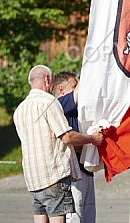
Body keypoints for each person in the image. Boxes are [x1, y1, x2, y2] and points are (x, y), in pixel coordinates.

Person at [13, 65, 104, 223]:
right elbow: (67, 137)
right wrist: (92, 139)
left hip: (34, 178)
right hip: (53, 176)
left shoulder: (20, 109)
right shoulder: (49, 102)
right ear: (47, 79)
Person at [53, 71, 96, 223]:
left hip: (85, 169)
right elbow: (69, 138)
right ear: (61, 89)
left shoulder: (75, 108)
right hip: (72, 171)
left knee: (88, 217)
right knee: (75, 217)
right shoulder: (58, 105)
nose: (78, 89)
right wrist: (92, 67)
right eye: (74, 86)